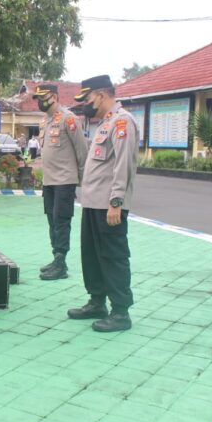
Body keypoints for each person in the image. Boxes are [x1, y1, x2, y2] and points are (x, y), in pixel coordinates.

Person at [68, 75, 139, 332]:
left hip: (109, 205)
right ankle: (97, 301)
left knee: (113, 256)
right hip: (93, 204)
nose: (86, 103)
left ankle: (120, 312)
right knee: (92, 256)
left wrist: (116, 202)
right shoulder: (105, 123)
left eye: (87, 98)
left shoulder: (122, 122)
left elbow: (123, 165)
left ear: (101, 94)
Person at [34, 84, 88, 281]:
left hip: (65, 180)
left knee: (61, 220)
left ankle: (61, 260)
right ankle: (56, 258)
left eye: (43, 97)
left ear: (54, 97)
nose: (40, 101)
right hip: (49, 181)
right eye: (37, 97)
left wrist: (83, 179)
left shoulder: (68, 118)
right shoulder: (45, 121)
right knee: (51, 219)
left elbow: (81, 151)